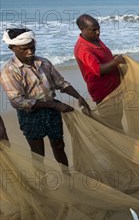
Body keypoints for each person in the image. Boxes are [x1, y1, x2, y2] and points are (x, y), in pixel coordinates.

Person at [1, 28, 90, 166]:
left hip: (52, 112)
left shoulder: (43, 63)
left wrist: (79, 97)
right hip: (30, 116)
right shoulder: (9, 71)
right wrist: (54, 105)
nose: (30, 52)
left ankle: (67, 177)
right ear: (12, 48)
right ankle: (41, 184)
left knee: (59, 146)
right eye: (24, 49)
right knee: (38, 154)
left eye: (32, 47)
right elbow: (17, 101)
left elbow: (61, 83)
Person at [74, 14, 126, 104]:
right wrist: (116, 62)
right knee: (111, 117)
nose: (98, 32)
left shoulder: (95, 38)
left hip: (115, 88)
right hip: (104, 93)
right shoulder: (83, 48)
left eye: (98, 29)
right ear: (82, 29)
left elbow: (103, 57)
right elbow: (98, 69)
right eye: (94, 30)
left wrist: (113, 58)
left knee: (118, 115)